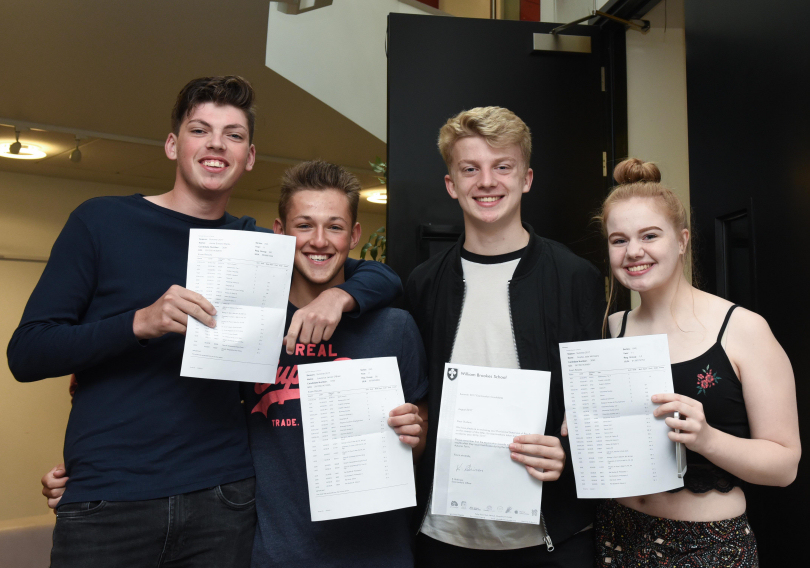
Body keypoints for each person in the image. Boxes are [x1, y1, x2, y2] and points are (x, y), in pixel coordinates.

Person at [10, 76, 401, 568]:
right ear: (174, 144)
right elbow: (27, 352)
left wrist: (341, 296)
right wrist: (138, 323)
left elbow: (377, 273)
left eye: (234, 135)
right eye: (201, 129)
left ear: (250, 156)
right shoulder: (101, 222)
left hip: (224, 499)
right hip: (109, 500)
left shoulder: (254, 244)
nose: (217, 144)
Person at [404, 106, 606, 567]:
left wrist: (569, 453)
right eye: (470, 169)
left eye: (503, 167)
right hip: (444, 536)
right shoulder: (423, 283)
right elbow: (417, 398)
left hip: (549, 537)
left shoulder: (576, 278)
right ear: (452, 184)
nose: (487, 182)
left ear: (527, 178)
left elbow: (599, 403)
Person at [594, 158, 801, 566]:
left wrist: (706, 438)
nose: (633, 251)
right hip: (614, 536)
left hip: (706, 547)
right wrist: (587, 431)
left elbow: (785, 466)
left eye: (649, 235)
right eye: (618, 240)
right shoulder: (612, 328)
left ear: (683, 240)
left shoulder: (742, 329)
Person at [244, 159, 428, 567]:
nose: (320, 241)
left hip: (378, 554)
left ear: (355, 234)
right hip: (278, 553)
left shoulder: (394, 327)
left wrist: (413, 433)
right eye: (304, 225)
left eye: (335, 226)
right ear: (280, 232)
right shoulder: (253, 327)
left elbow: (420, 437)